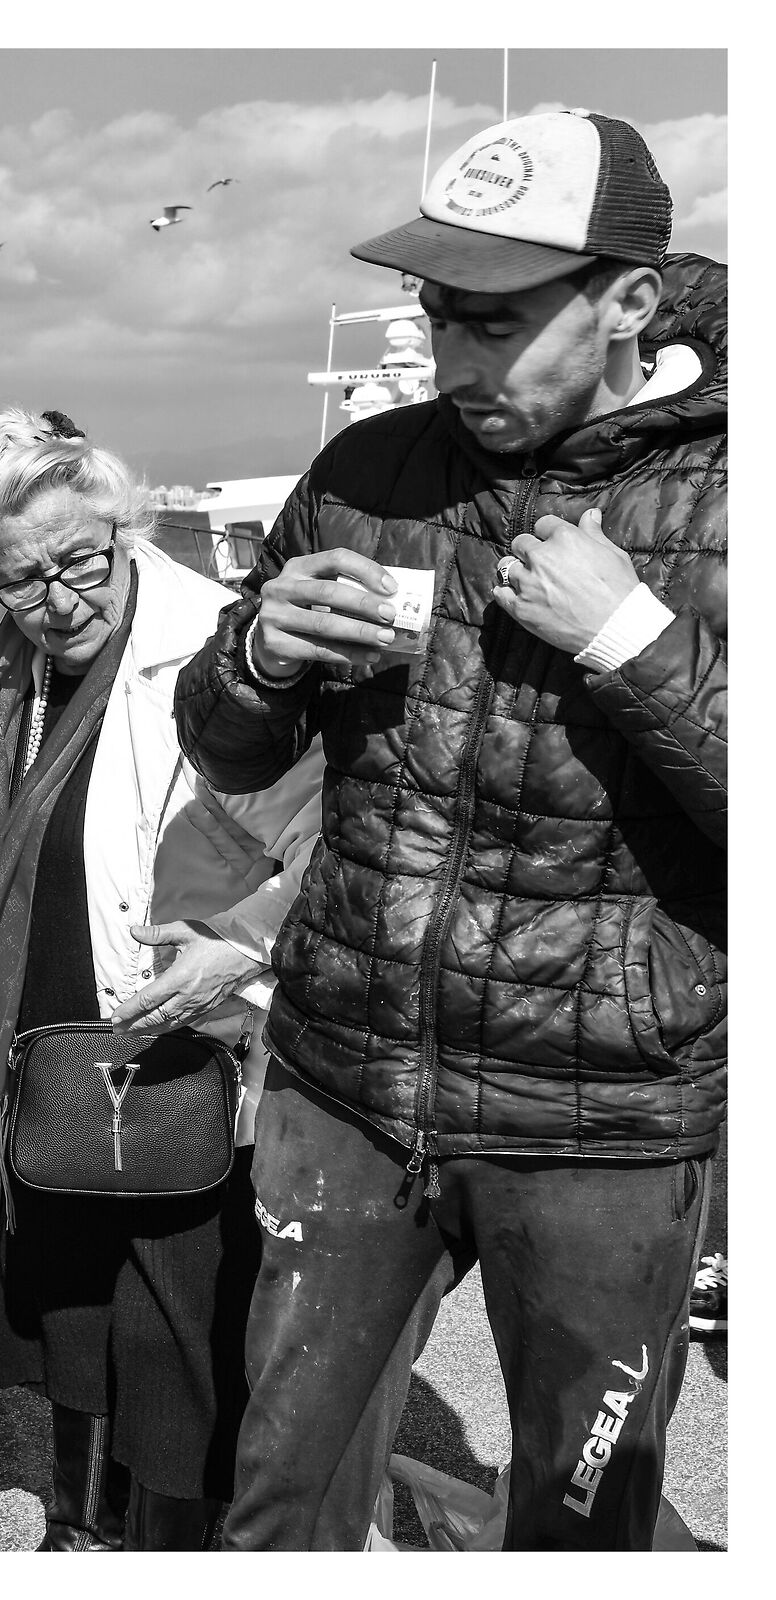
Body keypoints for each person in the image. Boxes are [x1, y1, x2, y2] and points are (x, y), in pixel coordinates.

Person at [171, 111, 725, 1551]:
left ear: (630, 301)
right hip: (347, 1093)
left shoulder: (735, 491)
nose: (453, 359)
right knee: (278, 1511)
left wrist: (636, 641)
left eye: (495, 320)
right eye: (435, 314)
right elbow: (227, 750)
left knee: (581, 1532)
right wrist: (258, 658)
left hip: (600, 1125)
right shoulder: (368, 471)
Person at [0, 409, 322, 1550]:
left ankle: (170, 1537)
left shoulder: (212, 646)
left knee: (178, 1305)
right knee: (65, 1288)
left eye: (83, 560)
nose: (59, 597)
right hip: (32, 1025)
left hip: (175, 1016)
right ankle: (79, 1522)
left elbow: (327, 831)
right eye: (24, 577)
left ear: (128, 531)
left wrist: (249, 946)